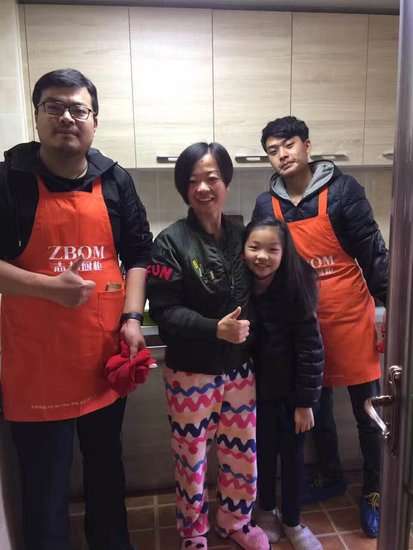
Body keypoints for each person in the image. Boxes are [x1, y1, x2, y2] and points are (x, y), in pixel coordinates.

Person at [0, 68, 152, 550]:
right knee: (45, 484)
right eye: (54, 107)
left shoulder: (115, 180)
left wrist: (132, 318)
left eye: (78, 109)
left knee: (106, 470)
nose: (67, 117)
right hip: (37, 365)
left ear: (94, 120)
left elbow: (139, 254)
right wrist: (47, 288)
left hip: (102, 358)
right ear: (38, 116)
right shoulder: (9, 181)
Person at [252, 115, 388, 539]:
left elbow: (373, 252)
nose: (282, 155)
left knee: (368, 412)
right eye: (273, 150)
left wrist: (393, 307)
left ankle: (374, 491)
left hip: (350, 319)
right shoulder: (267, 205)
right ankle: (329, 473)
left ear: (307, 146)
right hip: (303, 327)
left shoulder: (344, 191)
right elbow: (262, 266)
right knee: (317, 409)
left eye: (289, 144)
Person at [147, 142, 270, 550]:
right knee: (192, 458)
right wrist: (214, 329)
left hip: (239, 371)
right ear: (183, 188)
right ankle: (193, 531)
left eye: (212, 178)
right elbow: (164, 312)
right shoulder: (169, 242)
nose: (203, 188)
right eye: (193, 180)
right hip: (190, 373)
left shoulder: (243, 236)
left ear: (226, 182)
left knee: (241, 454)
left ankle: (236, 521)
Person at [243, 218, 323, 549]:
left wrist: (305, 402)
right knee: (260, 455)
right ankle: (264, 510)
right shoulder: (240, 285)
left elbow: (311, 349)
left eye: (272, 249)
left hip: (292, 396)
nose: (261, 256)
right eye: (254, 247)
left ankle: (292, 520)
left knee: (292, 459)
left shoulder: (297, 285)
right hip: (253, 394)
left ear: (284, 252)